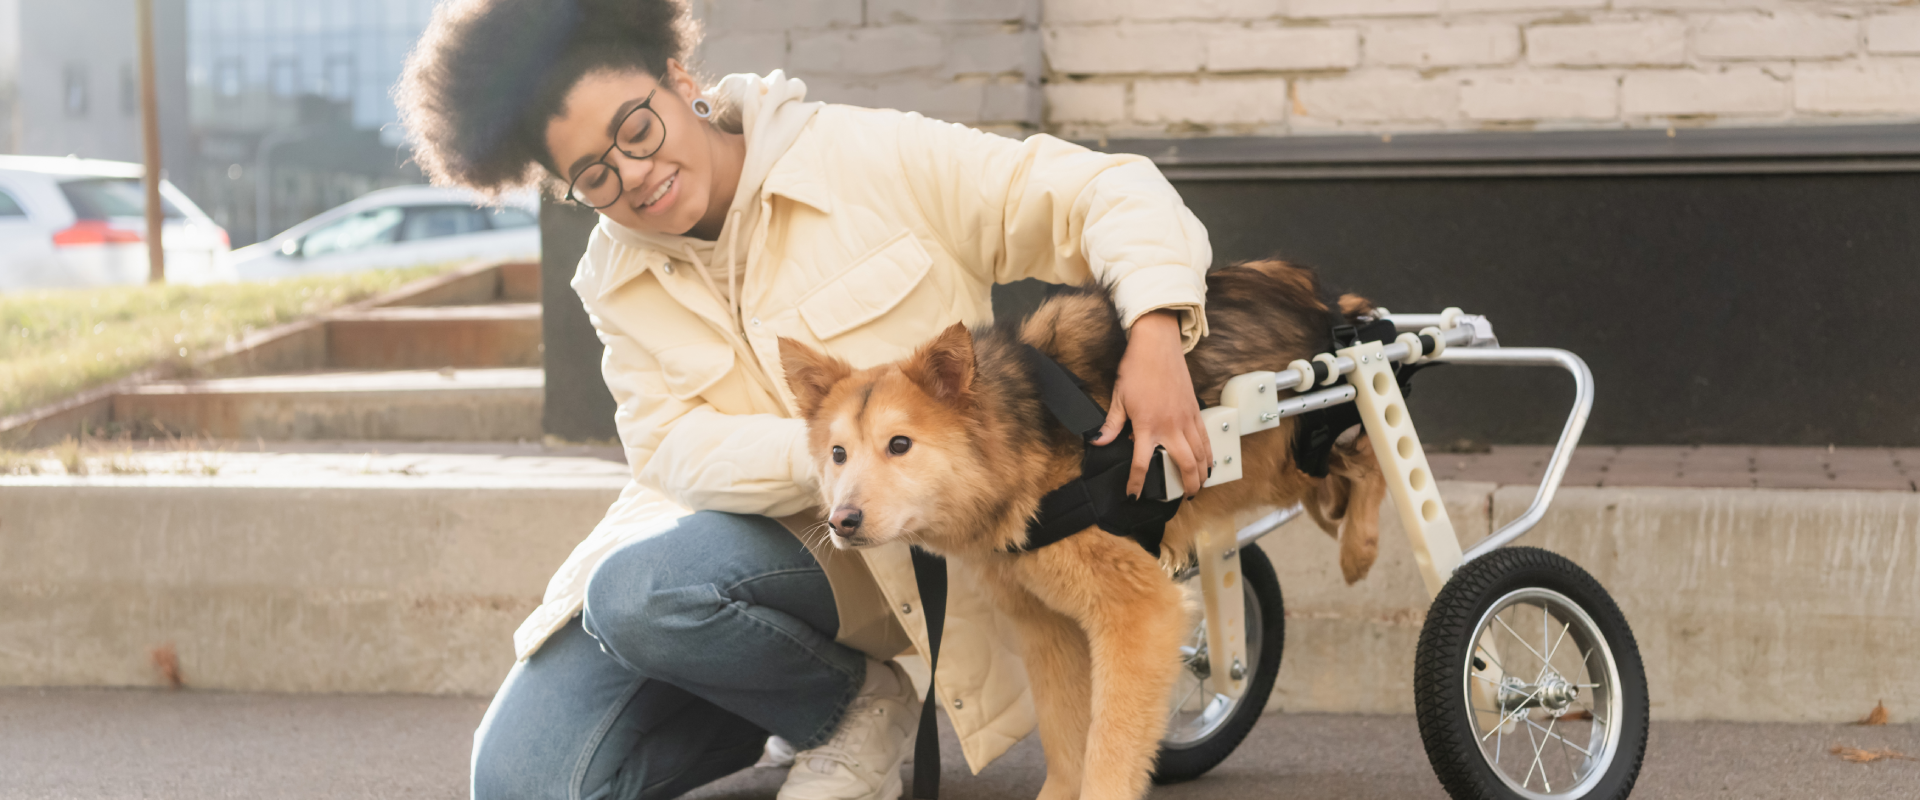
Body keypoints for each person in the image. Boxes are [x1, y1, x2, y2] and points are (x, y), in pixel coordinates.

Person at [397, 1, 1215, 798]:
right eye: (596, 177)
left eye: (637, 130)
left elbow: (1105, 189)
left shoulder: (859, 156)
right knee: (519, 781)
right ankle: (798, 701)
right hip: (714, 558)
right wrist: (847, 453)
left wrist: (1154, 326)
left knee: (646, 594)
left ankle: (852, 710)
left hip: (904, 551)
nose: (635, 177)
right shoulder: (613, 280)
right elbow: (667, 450)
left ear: (679, 79)